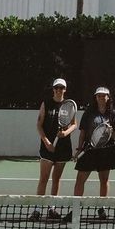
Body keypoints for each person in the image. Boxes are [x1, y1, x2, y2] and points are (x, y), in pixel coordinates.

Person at [32, 77, 76, 220]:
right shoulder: (46, 103)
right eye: (56, 87)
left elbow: (74, 124)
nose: (59, 90)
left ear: (65, 89)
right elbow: (39, 124)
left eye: (61, 88)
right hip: (47, 149)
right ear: (53, 89)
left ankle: (52, 208)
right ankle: (37, 210)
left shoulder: (69, 105)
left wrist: (65, 133)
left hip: (63, 148)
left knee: (56, 179)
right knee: (43, 178)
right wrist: (47, 142)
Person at [73, 86, 115, 216]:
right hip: (88, 150)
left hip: (106, 151)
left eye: (103, 95)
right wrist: (79, 148)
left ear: (108, 97)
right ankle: (76, 208)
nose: (101, 97)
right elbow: (82, 131)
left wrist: (109, 132)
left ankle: (102, 208)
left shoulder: (114, 115)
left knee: (104, 180)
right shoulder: (89, 113)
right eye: (98, 95)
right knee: (80, 180)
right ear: (95, 97)